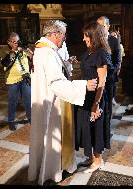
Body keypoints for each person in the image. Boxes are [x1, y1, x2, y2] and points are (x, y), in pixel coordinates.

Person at [28, 20, 98, 185]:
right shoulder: (47, 52)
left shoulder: (43, 49)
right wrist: (83, 85)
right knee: (54, 137)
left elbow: (53, 73)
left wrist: (66, 64)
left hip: (44, 100)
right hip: (52, 104)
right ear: (54, 34)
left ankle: (50, 168)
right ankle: (53, 172)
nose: (64, 38)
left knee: (46, 137)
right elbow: (56, 83)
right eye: (63, 35)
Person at [75, 21, 111, 173]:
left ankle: (98, 160)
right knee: (87, 127)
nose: (84, 39)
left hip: (96, 97)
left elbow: (102, 81)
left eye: (86, 36)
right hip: (85, 96)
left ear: (94, 36)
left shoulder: (101, 53)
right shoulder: (88, 52)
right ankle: (91, 157)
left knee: (96, 128)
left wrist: (96, 104)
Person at [1, 32, 33, 130]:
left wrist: (29, 51)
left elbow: (31, 57)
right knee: (13, 101)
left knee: (28, 99)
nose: (16, 43)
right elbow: (4, 63)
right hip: (12, 80)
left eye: (18, 41)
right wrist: (13, 51)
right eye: (14, 42)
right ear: (9, 42)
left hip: (25, 78)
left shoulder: (22, 48)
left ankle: (31, 117)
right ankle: (11, 120)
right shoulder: (5, 50)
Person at [97, 16, 121, 126]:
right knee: (98, 101)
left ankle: (107, 123)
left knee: (108, 102)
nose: (100, 29)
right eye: (98, 26)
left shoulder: (114, 41)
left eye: (102, 26)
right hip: (96, 78)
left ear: (108, 26)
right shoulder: (95, 39)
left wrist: (108, 74)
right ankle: (99, 123)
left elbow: (117, 60)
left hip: (109, 78)